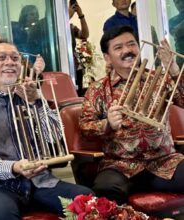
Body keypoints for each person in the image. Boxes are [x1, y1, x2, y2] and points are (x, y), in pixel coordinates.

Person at [0, 40, 93, 219]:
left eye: (15, 58)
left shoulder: (29, 95)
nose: (10, 62)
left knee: (88, 201)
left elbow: (54, 138)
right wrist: (13, 167)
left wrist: (37, 101)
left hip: (41, 182)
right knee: (3, 213)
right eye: (1, 58)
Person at [79, 26, 184, 204]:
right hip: (120, 165)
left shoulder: (159, 79)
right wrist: (107, 124)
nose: (127, 50)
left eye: (131, 44)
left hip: (165, 162)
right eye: (118, 47)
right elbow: (85, 128)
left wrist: (173, 69)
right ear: (107, 57)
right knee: (105, 192)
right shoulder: (98, 89)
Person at [69, 0, 89, 96]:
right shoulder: (55, 25)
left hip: (75, 66)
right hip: (63, 67)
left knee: (78, 93)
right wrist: (67, 16)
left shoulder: (71, 27)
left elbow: (85, 35)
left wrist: (81, 16)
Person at [169, 0, 184, 67]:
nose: (180, 4)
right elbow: (176, 32)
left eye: (182, 1)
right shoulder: (172, 21)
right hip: (182, 58)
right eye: (177, 2)